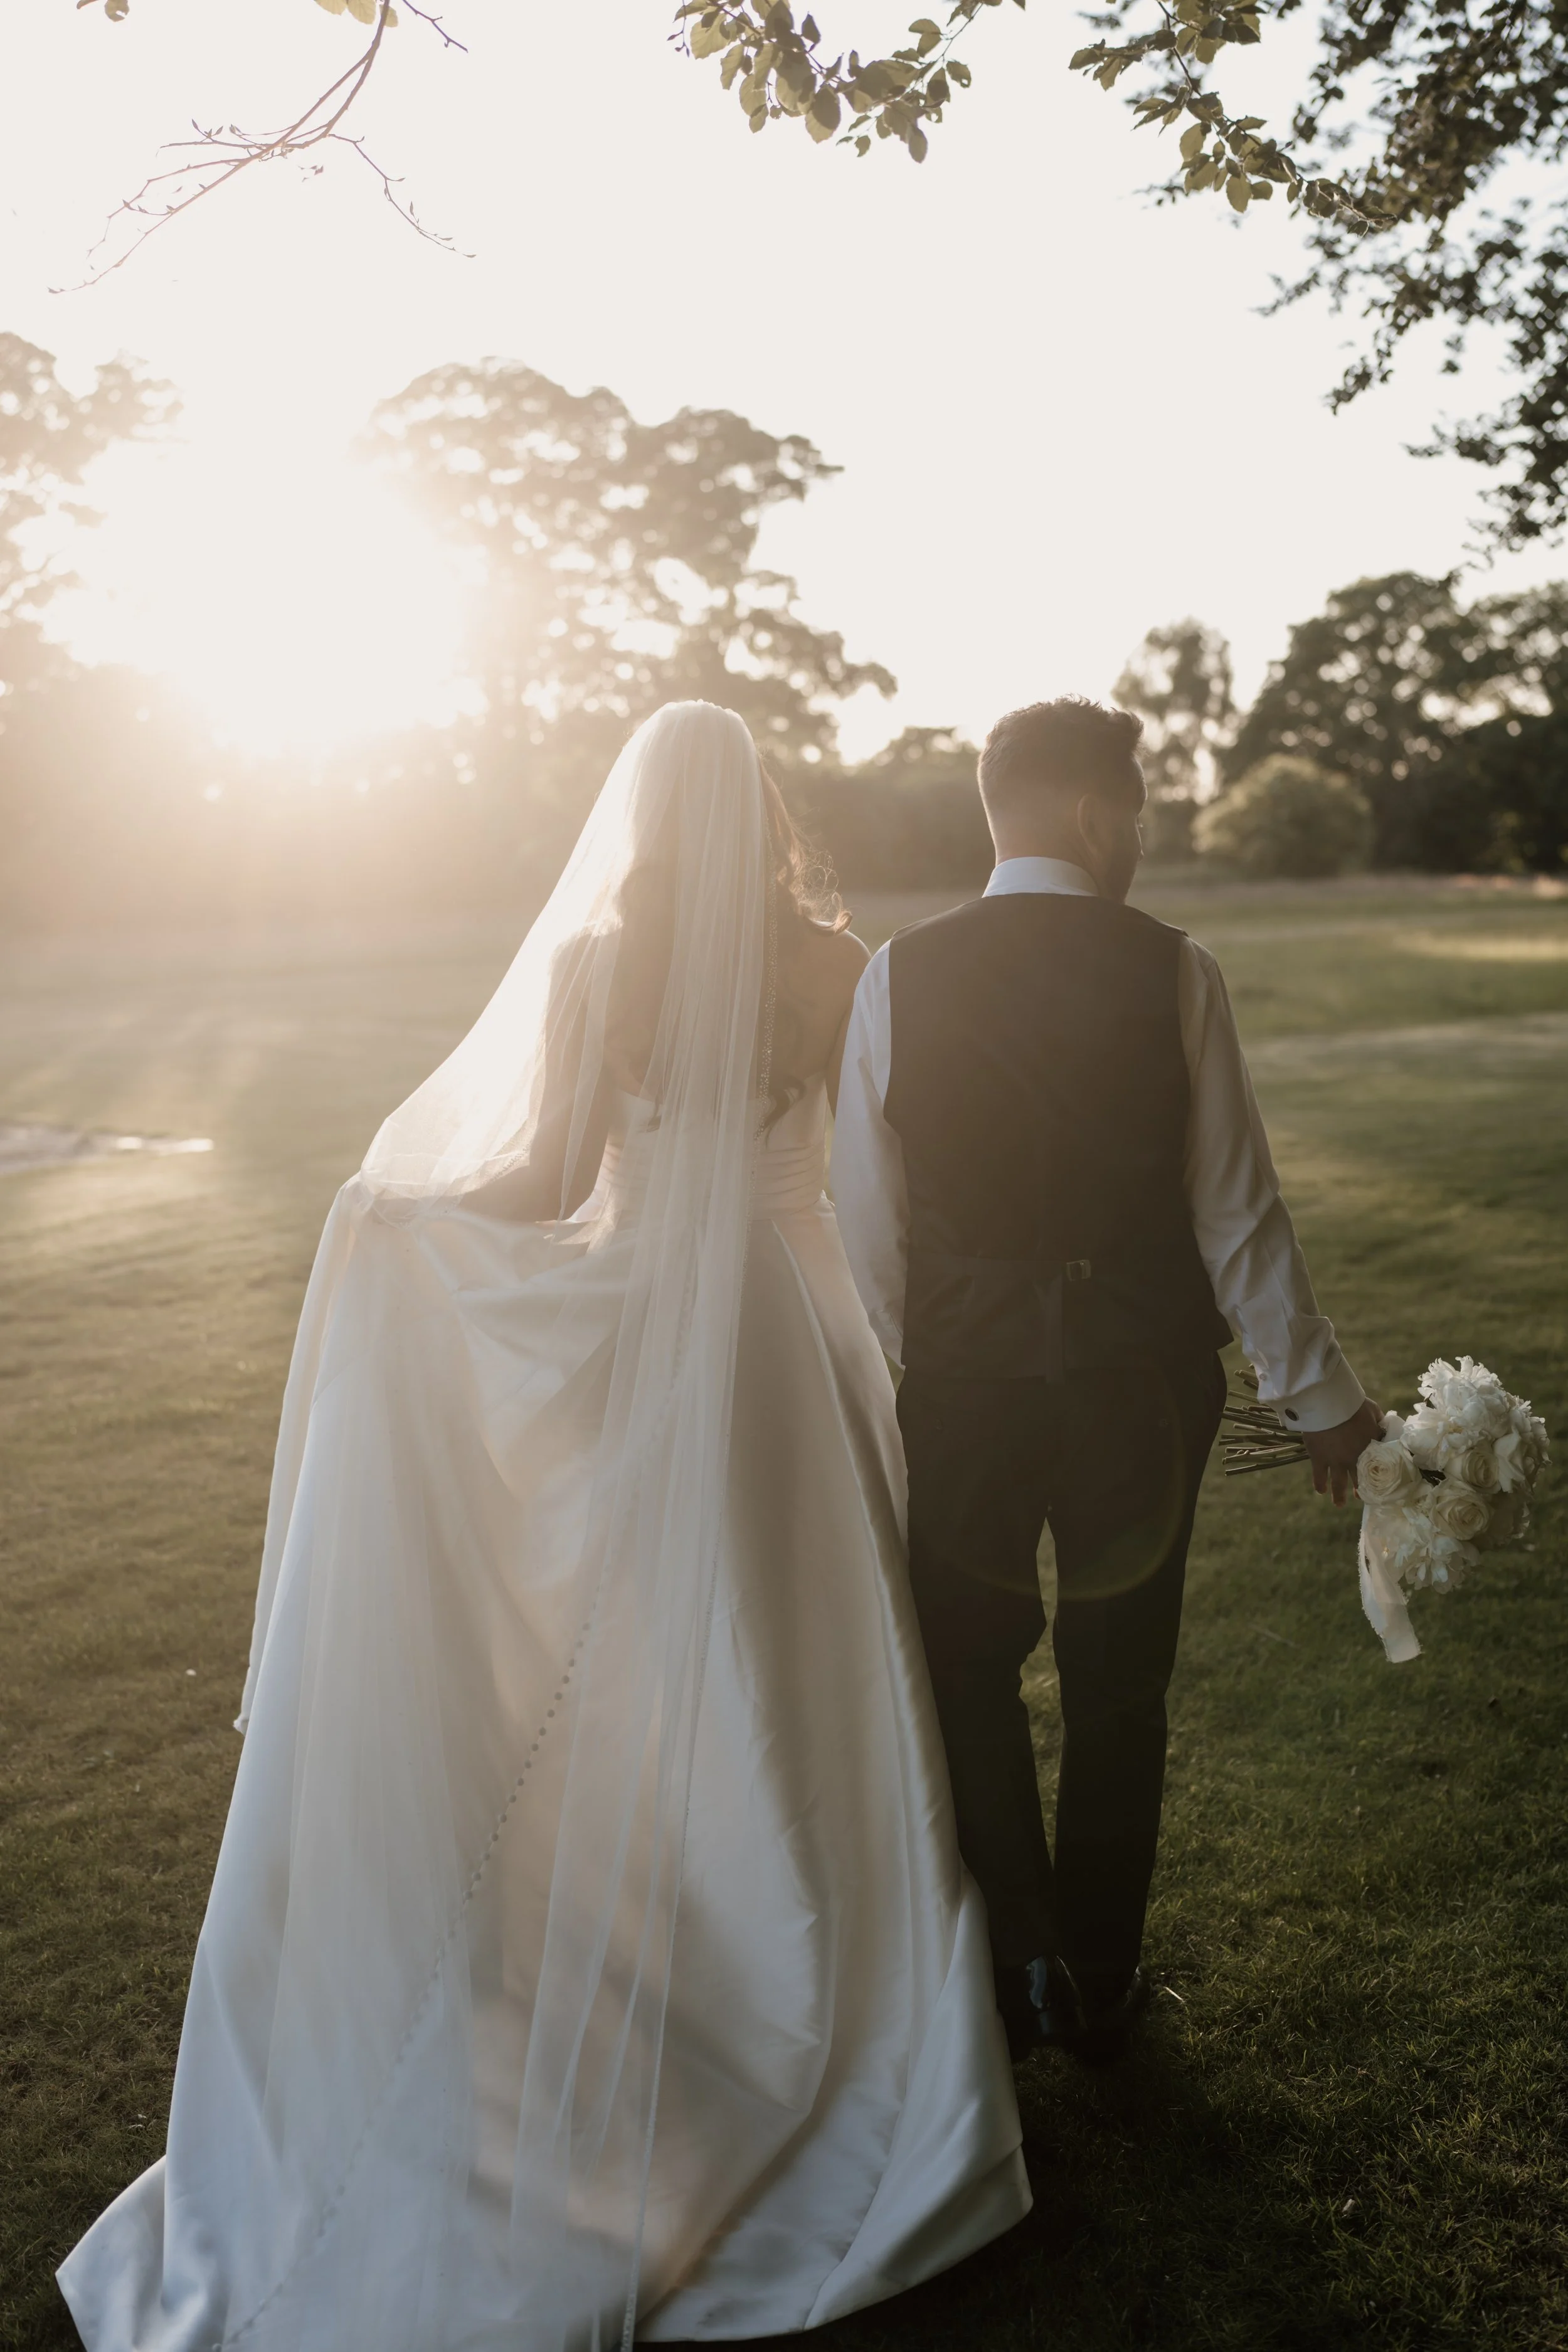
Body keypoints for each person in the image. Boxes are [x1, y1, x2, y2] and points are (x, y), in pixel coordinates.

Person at [58, 704, 1030, 2352]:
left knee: (661, 1682)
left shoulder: (601, 962)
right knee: (808, 1684)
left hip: (662, 1355)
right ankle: (844, 1997)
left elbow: (546, 1183)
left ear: (639, 812)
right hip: (792, 1356)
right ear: (764, 807)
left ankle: (691, 1977)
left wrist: (388, 1224)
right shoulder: (831, 963)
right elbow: (880, 1183)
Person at [832, 696, 1381, 2064]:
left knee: (965, 1669)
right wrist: (1319, 1401)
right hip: (1138, 1389)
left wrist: (938, 1355)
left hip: (962, 1387)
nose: (1138, 832)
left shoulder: (897, 974)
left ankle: (1019, 1960)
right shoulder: (1171, 968)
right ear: (1092, 813)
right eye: (1134, 808)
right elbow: (1234, 1215)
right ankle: (1100, 1969)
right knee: (1116, 1679)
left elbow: (864, 1223)